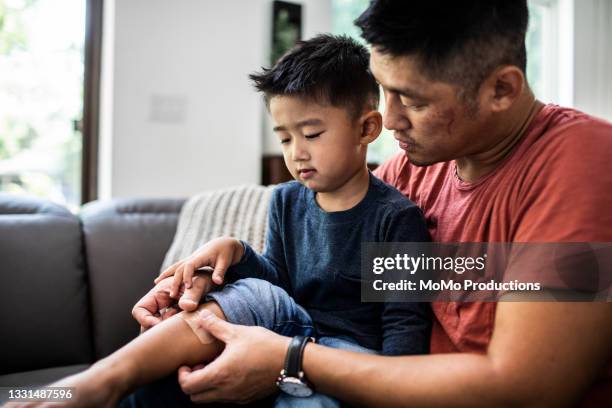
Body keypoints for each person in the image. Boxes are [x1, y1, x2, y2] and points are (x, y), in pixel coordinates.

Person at [126, 1, 612, 407]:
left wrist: (289, 360)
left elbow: (526, 389)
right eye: (384, 88)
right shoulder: (414, 168)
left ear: (500, 89)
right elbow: (336, 295)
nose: (390, 118)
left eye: (412, 99)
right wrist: (225, 272)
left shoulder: (585, 163)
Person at [17, 34, 431, 408]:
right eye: (285, 138)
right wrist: (237, 252)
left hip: (348, 360)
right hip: (281, 334)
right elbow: (277, 286)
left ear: (366, 128)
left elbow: (403, 335)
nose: (296, 153)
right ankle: (102, 385)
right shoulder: (286, 200)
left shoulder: (395, 219)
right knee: (246, 294)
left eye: (312, 134)